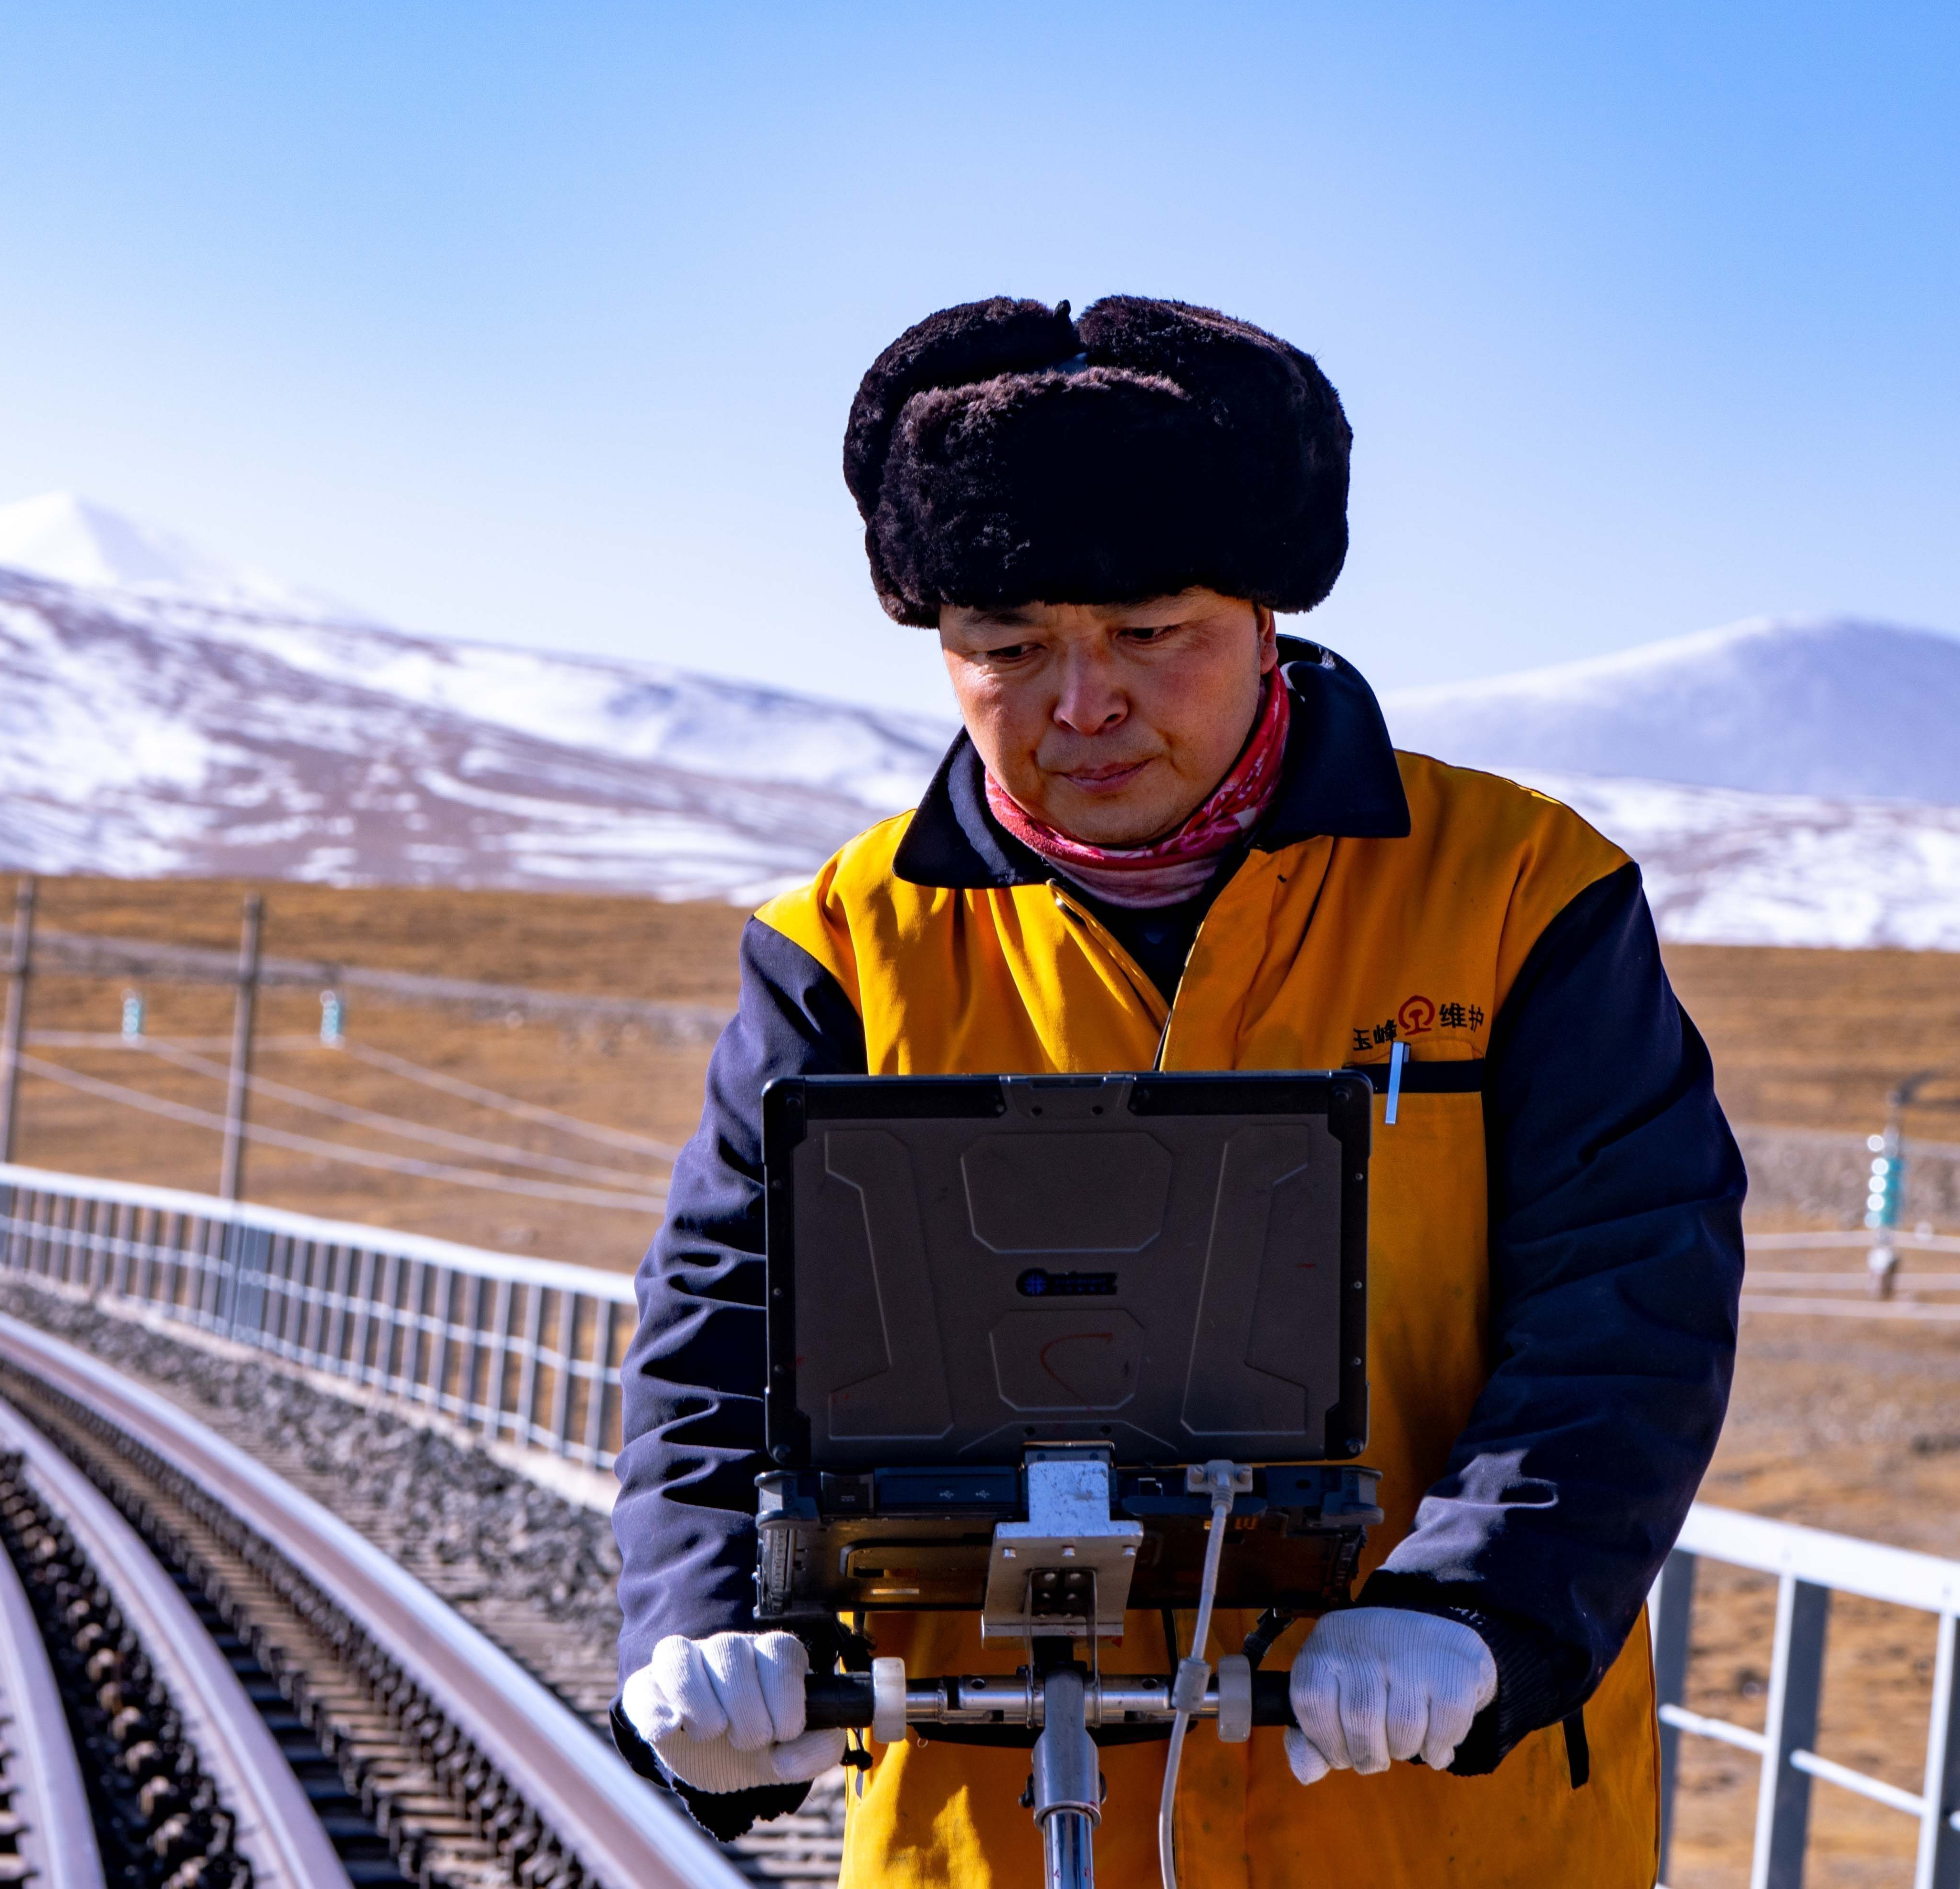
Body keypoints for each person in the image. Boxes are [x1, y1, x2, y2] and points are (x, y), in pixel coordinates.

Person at [609, 296, 1745, 1886]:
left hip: (1428, 1815)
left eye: (1151, 636)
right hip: (990, 1825)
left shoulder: (1518, 894)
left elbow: (1631, 1304)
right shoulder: (845, 946)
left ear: (1264, 617)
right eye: (1008, 650)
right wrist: (706, 1622)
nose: (1082, 704)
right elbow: (722, 1330)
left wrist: (1471, 1609)